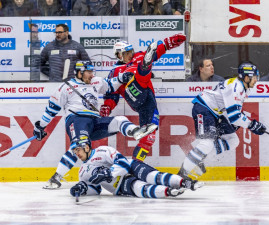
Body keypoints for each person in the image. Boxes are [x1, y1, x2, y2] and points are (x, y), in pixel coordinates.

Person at [33, 60, 157, 189]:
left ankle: (136, 132)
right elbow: (51, 109)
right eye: (88, 72)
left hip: (95, 121)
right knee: (79, 145)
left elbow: (110, 85)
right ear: (80, 73)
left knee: (119, 120)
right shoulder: (66, 87)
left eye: (92, 71)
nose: (92, 74)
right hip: (77, 120)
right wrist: (41, 126)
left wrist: (122, 77)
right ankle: (56, 178)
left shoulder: (95, 81)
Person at [100, 34, 186, 162]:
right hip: (134, 95)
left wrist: (170, 42)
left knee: (148, 138)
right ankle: (145, 67)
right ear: (119, 55)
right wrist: (107, 106)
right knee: (139, 77)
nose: (130, 54)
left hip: (148, 104)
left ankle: (136, 163)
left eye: (131, 51)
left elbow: (159, 51)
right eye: (126, 53)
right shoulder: (115, 72)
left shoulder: (138, 56)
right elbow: (112, 94)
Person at [178, 62, 267, 179]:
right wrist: (251, 125)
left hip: (215, 113)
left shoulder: (243, 87)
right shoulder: (236, 87)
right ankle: (182, 174)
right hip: (204, 108)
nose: (256, 80)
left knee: (233, 140)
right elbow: (235, 117)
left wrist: (247, 123)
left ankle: (199, 157)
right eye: (255, 78)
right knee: (207, 142)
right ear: (246, 78)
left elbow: (233, 113)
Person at [69, 138, 203, 199]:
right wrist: (83, 189)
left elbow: (122, 161)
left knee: (153, 176)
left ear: (86, 147)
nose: (77, 153)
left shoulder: (103, 150)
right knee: (141, 189)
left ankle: (186, 183)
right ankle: (169, 191)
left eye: (78, 150)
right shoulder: (82, 172)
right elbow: (96, 189)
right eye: (75, 152)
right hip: (119, 185)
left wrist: (109, 173)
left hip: (130, 167)